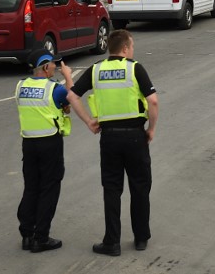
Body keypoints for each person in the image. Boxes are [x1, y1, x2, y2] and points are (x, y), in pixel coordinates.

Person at [67, 30, 159, 256]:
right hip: (135, 135)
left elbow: (72, 96)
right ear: (126, 49)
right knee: (139, 186)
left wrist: (89, 121)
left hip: (109, 138)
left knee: (112, 189)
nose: (133, 50)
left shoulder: (96, 69)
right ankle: (140, 238)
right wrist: (151, 129)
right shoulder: (134, 67)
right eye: (133, 47)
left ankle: (112, 242)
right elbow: (153, 101)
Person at [16, 51, 74, 253]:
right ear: (45, 67)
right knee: (49, 188)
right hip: (49, 142)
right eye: (53, 65)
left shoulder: (21, 86)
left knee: (31, 187)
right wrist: (68, 76)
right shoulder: (53, 89)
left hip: (29, 143)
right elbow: (70, 100)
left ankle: (27, 234)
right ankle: (41, 238)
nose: (55, 68)